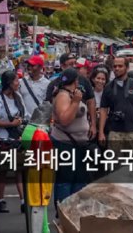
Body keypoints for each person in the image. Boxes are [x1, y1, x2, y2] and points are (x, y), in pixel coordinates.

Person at [51, 69, 90, 203]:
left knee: (79, 181)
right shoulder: (63, 96)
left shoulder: (71, 94)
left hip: (78, 145)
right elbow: (64, 120)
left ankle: (74, 210)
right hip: (66, 144)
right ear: (75, 81)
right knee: (66, 180)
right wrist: (75, 102)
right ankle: (64, 210)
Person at [0, 71, 25, 213]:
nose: (18, 83)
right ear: (9, 83)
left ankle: (23, 201)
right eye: (16, 81)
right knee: (2, 170)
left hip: (17, 138)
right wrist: (11, 124)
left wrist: (21, 123)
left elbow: (25, 115)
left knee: (19, 169)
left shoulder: (18, 97)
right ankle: (0, 200)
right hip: (3, 139)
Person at [98, 57, 133, 153]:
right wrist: (101, 132)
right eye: (115, 66)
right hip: (114, 132)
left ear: (127, 68)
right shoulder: (108, 87)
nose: (117, 68)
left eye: (120, 66)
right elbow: (103, 110)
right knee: (114, 161)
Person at [21, 102, 54, 233]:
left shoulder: (32, 131)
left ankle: (43, 228)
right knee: (40, 203)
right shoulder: (40, 134)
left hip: (37, 171)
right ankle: (43, 229)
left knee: (39, 203)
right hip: (40, 174)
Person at [19, 55, 51, 121]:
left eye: (32, 65)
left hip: (39, 121)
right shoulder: (21, 82)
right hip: (24, 121)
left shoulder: (47, 84)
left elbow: (49, 104)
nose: (29, 67)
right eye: (28, 65)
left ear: (40, 67)